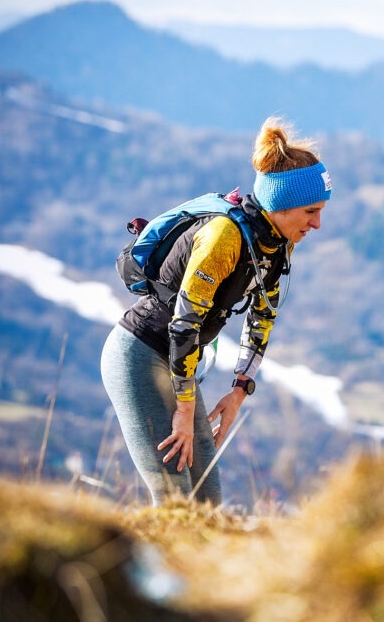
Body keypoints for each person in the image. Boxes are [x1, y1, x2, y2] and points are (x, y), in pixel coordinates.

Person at [100, 116, 332, 505]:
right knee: (174, 500)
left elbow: (263, 317)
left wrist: (240, 389)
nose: (318, 223)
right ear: (282, 203)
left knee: (207, 502)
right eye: (311, 211)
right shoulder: (224, 237)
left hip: (178, 365)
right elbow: (184, 326)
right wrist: (185, 410)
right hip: (139, 357)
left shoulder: (275, 243)